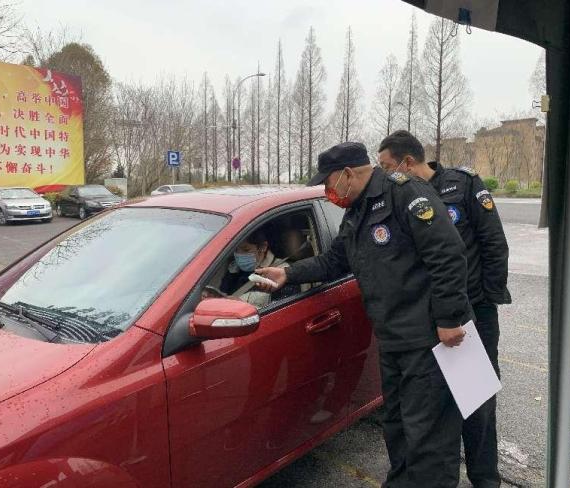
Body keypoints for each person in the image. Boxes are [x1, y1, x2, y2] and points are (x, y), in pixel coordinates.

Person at [256, 141, 472, 488]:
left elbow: (448, 255)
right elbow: (334, 261)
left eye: (328, 183)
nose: (327, 192)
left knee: (429, 433)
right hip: (392, 338)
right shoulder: (357, 210)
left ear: (346, 174)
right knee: (397, 424)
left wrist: (449, 319)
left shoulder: (406, 193)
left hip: (427, 338)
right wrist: (288, 273)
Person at [378, 130, 511, 488]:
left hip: (468, 316)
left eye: (387, 166)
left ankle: (485, 479)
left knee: (477, 402)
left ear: (407, 163)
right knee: (437, 407)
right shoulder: (399, 196)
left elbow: (494, 244)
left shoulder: (462, 185)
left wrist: (483, 302)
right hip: (426, 320)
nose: (385, 174)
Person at [213, 229, 299, 308]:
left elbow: (283, 312)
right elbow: (222, 294)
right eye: (235, 250)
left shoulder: (282, 272)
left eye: (246, 250)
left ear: (263, 247)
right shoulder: (233, 268)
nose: (239, 254)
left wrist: (243, 307)